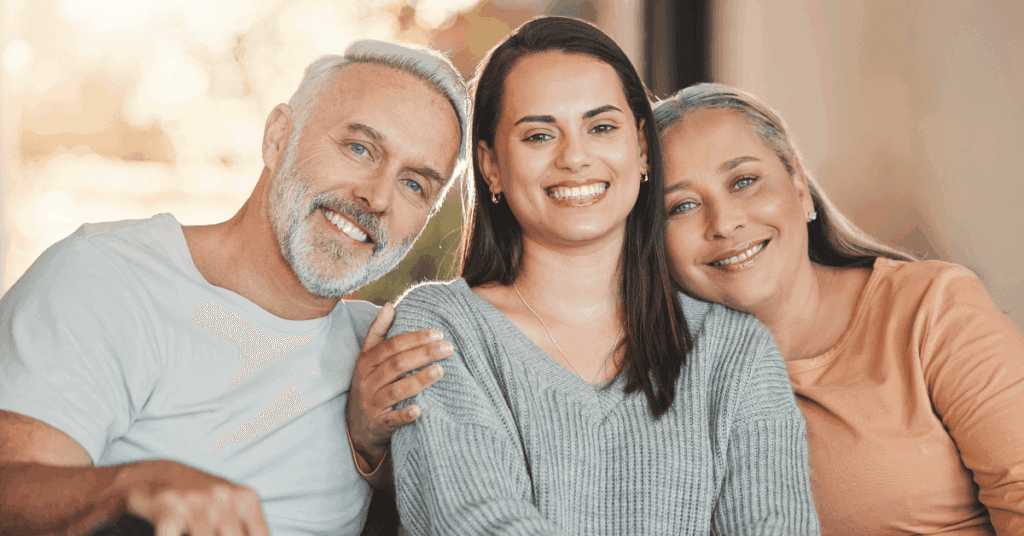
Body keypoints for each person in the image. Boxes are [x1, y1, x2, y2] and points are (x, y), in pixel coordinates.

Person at [0, 39, 470, 536]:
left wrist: (371, 449)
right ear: (277, 138)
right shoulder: (107, 277)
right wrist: (133, 487)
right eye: (359, 148)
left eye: (415, 184)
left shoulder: (384, 353)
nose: (376, 197)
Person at [387, 17, 819, 535]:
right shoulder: (442, 330)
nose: (575, 158)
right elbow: (479, 523)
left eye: (601, 127)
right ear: (491, 166)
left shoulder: (735, 351)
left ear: (641, 149)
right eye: (540, 135)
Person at [654, 83, 1024, 535]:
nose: (725, 222)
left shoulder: (932, 309)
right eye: (683, 206)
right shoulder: (664, 383)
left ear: (799, 188)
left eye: (744, 181)